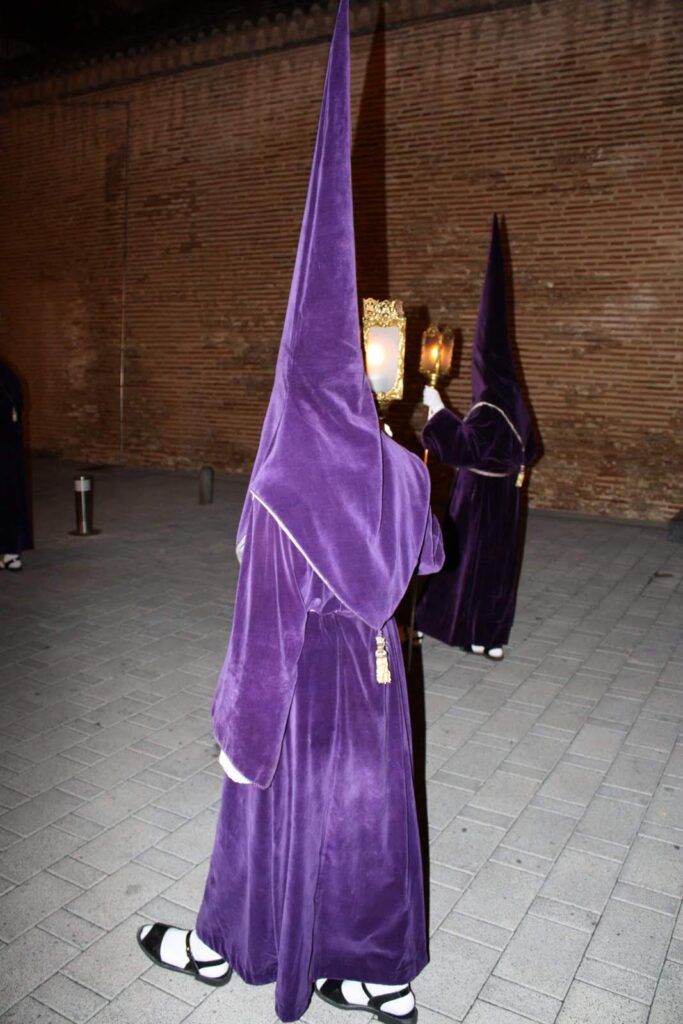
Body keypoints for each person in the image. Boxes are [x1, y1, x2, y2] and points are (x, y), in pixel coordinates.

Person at [136, 3, 443, 1022]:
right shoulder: (399, 466)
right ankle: (378, 975)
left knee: (267, 822)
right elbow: (427, 558)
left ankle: (224, 944)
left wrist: (243, 736)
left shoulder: (282, 486)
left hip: (307, 694)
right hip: (379, 681)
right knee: (370, 826)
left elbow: (262, 638)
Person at [416, 216, 537, 661]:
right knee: (494, 571)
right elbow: (528, 449)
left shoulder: (488, 407)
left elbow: (462, 448)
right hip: (506, 502)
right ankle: (488, 638)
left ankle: (435, 622)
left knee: (460, 562)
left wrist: (437, 408)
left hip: (478, 502)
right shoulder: (516, 406)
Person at [0, 360, 32, 571]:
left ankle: (9, 551)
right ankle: (11, 552)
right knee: (10, 498)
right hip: (9, 450)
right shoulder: (8, 375)